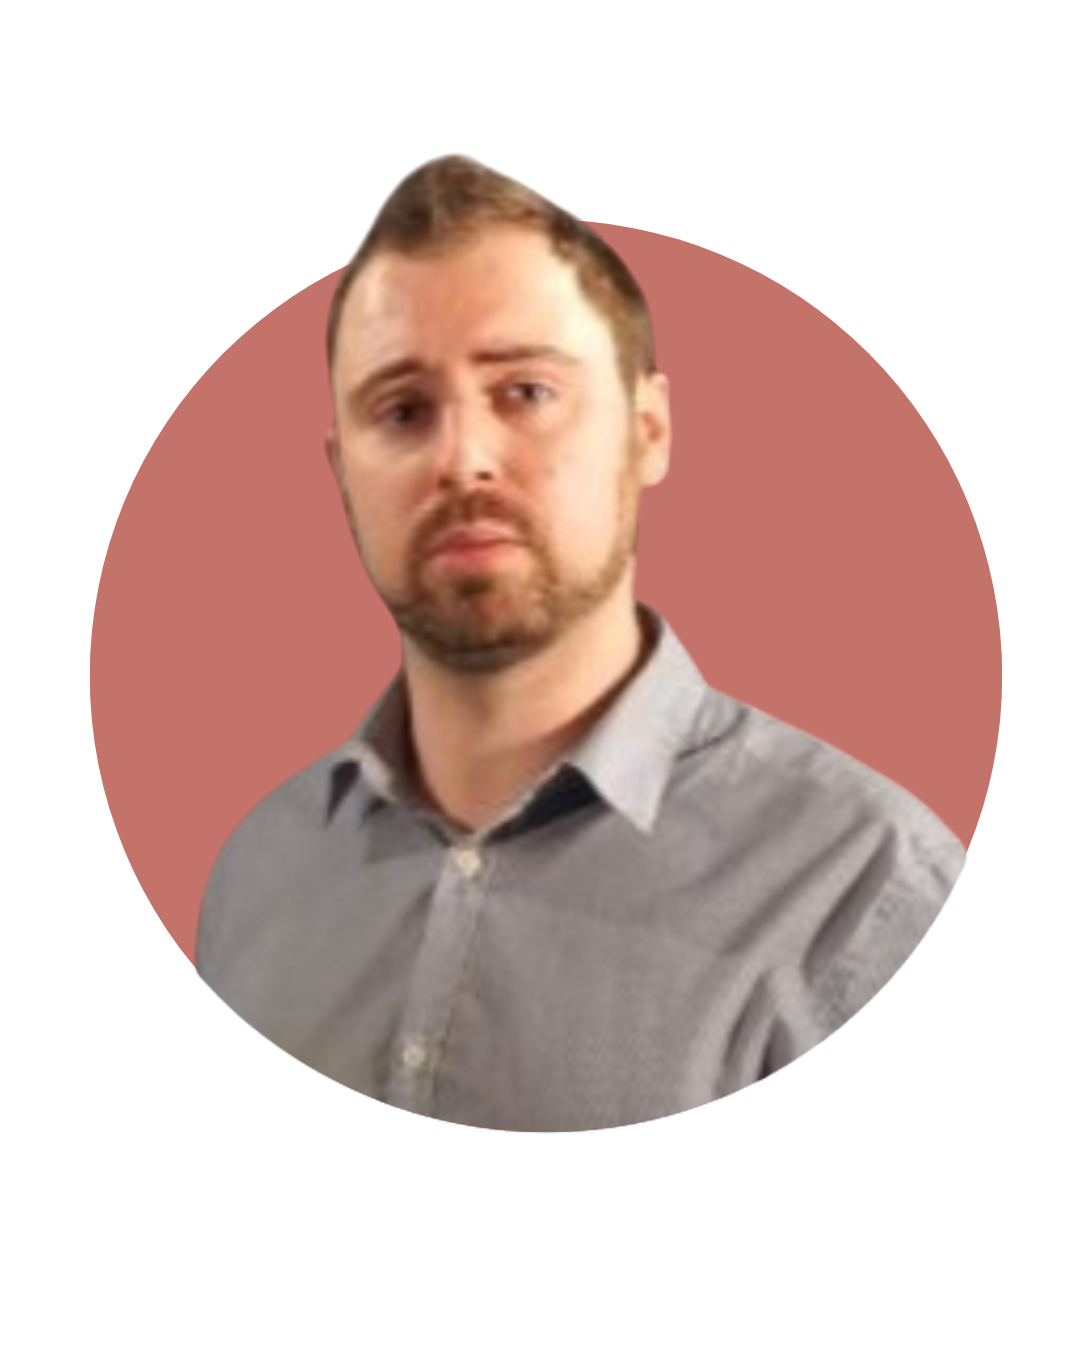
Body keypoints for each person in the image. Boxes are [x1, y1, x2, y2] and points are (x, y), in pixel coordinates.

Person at [196, 155, 965, 1131]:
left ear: (649, 431)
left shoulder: (865, 890)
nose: (462, 458)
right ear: (341, 470)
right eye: (402, 410)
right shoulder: (256, 870)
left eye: (524, 391)